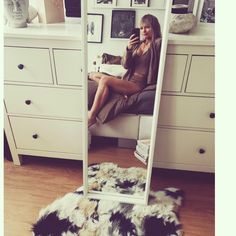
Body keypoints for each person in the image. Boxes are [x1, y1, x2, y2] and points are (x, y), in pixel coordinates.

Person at [88, 14, 162, 127]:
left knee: (104, 80)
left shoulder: (157, 43)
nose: (144, 31)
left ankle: (91, 116)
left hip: (137, 85)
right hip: (127, 79)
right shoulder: (138, 44)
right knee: (94, 75)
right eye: (141, 28)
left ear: (154, 27)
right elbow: (125, 65)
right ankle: (102, 83)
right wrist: (128, 49)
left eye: (147, 27)